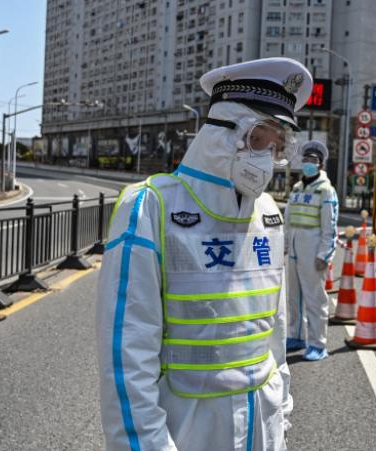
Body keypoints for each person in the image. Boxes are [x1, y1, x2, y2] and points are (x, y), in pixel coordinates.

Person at [96, 57, 313, 451]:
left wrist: (281, 415)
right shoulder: (150, 207)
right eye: (260, 139)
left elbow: (274, 333)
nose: (267, 158)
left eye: (277, 146)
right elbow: (127, 360)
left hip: (262, 427)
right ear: (225, 132)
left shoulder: (268, 214)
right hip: (187, 429)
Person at [284, 140, 339, 361]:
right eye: (305, 159)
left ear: (320, 165)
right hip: (294, 249)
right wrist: (284, 246)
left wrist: (324, 255)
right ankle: (296, 335)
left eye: (313, 160)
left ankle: (317, 344)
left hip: (313, 249)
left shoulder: (326, 190)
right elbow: (288, 220)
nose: (308, 163)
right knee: (294, 296)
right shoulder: (297, 188)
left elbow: (330, 227)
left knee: (315, 298)